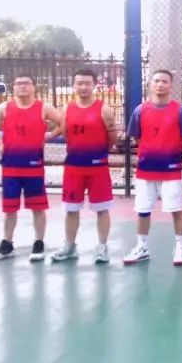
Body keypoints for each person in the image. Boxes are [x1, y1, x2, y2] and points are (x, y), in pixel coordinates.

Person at [122, 69, 182, 266]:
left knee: (176, 209)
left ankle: (180, 248)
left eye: (164, 81)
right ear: (150, 84)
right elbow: (137, 137)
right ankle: (142, 247)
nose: (160, 84)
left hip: (171, 172)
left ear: (171, 85)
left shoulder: (179, 112)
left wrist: (171, 152)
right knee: (143, 210)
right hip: (145, 171)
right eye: (156, 81)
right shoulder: (140, 110)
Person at [0, 74, 59, 261]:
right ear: (13, 87)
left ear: (34, 87)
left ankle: (39, 243)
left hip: (34, 167)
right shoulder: (5, 107)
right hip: (10, 167)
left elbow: (64, 124)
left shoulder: (44, 108)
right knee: (10, 209)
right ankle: (7, 244)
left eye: (26, 83)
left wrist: (48, 136)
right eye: (18, 84)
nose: (22, 86)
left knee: (38, 207)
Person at [50, 69, 119, 264]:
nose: (83, 87)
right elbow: (65, 133)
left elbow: (112, 138)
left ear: (94, 85)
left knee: (102, 209)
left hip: (98, 168)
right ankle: (69, 246)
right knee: (71, 209)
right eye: (79, 83)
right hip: (73, 167)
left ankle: (102, 247)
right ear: (74, 85)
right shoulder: (66, 109)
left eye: (87, 83)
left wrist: (99, 153)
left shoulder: (104, 110)